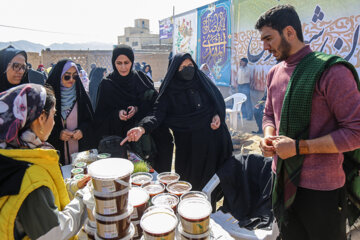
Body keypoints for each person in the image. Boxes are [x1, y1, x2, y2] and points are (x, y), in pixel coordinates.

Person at [256, 5, 360, 240]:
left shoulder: (332, 72)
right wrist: (268, 135)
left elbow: (355, 132)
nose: (264, 46)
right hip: (281, 177)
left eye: (268, 38)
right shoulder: (274, 73)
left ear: (290, 32)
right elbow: (269, 114)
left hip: (321, 189)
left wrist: (298, 147)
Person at [124, 53, 233, 190]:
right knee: (188, 185)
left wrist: (217, 115)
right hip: (187, 147)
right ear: (174, 69)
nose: (188, 69)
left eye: (190, 65)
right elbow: (157, 114)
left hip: (209, 143)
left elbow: (215, 101)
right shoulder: (169, 91)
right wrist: (142, 128)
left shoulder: (201, 81)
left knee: (210, 185)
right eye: (182, 67)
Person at [0, 84, 88, 239]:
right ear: (41, 118)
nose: (54, 122)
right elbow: (54, 233)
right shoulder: (28, 175)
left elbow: (46, 196)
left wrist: (73, 187)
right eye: (53, 115)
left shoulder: (13, 154)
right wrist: (83, 199)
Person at [94, 45, 173, 171]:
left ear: (132, 61)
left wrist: (137, 109)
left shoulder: (141, 79)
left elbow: (155, 106)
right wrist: (117, 114)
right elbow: (100, 117)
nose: (123, 67)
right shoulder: (107, 85)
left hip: (147, 136)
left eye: (127, 62)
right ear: (114, 63)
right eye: (119, 63)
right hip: (121, 140)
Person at [47, 60, 95, 165]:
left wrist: (82, 131)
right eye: (67, 76)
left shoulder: (81, 96)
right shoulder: (48, 98)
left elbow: (91, 121)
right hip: (57, 153)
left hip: (80, 154)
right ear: (59, 76)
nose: (72, 80)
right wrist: (58, 134)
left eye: (75, 76)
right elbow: (40, 127)